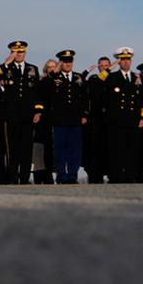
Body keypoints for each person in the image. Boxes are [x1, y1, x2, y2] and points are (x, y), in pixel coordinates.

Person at [0, 40, 40, 184]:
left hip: (28, 115)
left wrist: (38, 111)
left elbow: (36, 92)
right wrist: (6, 64)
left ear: (25, 52)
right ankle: (12, 178)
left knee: (26, 147)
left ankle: (24, 178)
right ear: (12, 53)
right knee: (12, 148)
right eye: (16, 52)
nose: (19, 54)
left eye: (21, 52)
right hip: (10, 115)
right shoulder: (6, 68)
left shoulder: (33, 69)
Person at [35, 50, 87, 184]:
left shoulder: (79, 77)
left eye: (70, 61)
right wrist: (53, 73)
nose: (68, 64)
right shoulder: (53, 78)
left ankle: (72, 175)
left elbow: (85, 98)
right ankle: (62, 175)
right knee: (60, 149)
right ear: (61, 63)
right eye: (65, 61)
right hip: (59, 120)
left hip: (75, 119)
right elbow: (41, 87)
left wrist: (84, 114)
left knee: (74, 149)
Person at [102, 47, 143, 184]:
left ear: (131, 61)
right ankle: (116, 177)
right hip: (116, 121)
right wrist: (109, 68)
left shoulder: (137, 78)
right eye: (122, 60)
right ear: (119, 61)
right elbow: (97, 83)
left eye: (128, 60)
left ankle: (130, 176)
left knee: (132, 151)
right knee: (117, 151)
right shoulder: (111, 77)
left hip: (134, 120)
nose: (126, 62)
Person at [82, 56, 112, 183]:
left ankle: (112, 174)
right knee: (95, 149)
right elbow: (82, 83)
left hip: (111, 119)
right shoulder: (94, 79)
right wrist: (87, 71)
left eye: (107, 66)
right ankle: (95, 176)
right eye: (102, 66)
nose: (104, 68)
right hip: (96, 120)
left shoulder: (115, 78)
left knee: (111, 148)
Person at [32, 59, 59, 184]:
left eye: (54, 66)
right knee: (42, 147)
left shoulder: (61, 80)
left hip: (58, 117)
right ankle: (42, 174)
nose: (52, 69)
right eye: (49, 67)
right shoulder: (43, 81)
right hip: (45, 118)